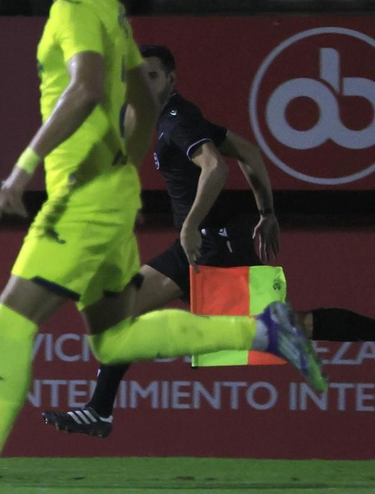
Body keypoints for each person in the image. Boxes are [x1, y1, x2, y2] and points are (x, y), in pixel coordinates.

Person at [0, 0, 327, 494]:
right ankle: (263, 327)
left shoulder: (72, 9)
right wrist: (123, 168)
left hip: (79, 199)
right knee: (113, 339)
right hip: (109, 195)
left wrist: (24, 166)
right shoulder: (110, 8)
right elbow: (144, 106)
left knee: (7, 321)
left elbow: (87, 85)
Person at [43, 44, 375, 437]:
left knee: (288, 327)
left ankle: (99, 409)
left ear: (170, 79)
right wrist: (267, 213)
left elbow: (215, 168)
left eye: (152, 76)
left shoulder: (178, 121)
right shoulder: (176, 115)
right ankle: (99, 411)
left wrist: (190, 225)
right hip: (200, 245)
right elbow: (249, 151)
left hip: (211, 247)